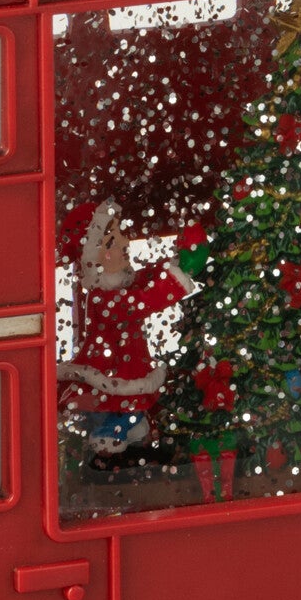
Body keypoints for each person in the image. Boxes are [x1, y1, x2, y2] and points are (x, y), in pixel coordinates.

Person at [56, 196, 201, 470]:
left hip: (124, 374)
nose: (124, 243)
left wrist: (176, 263)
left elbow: (147, 277)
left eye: (121, 235)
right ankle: (108, 440)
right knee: (124, 412)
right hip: (110, 376)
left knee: (131, 413)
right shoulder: (102, 298)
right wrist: (175, 282)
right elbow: (140, 303)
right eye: (112, 241)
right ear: (92, 259)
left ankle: (119, 439)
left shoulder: (122, 283)